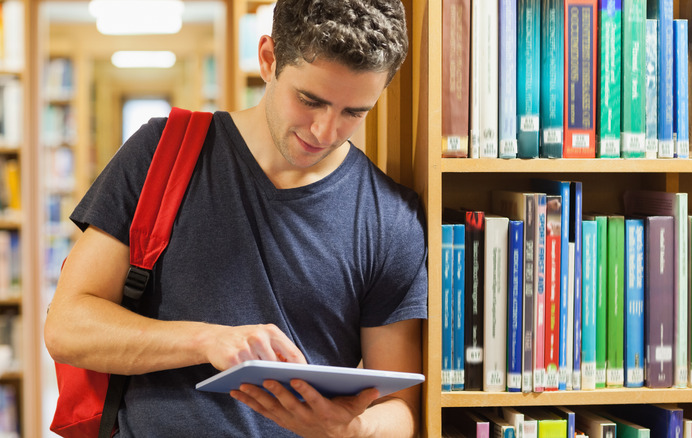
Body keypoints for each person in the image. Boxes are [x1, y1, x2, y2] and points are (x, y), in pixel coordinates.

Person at [43, 0, 427, 436]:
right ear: (268, 59)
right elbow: (66, 327)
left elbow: (402, 408)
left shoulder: (392, 218)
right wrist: (208, 341)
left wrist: (354, 431)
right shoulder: (162, 153)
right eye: (309, 100)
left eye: (354, 112)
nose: (325, 131)